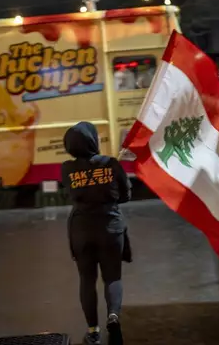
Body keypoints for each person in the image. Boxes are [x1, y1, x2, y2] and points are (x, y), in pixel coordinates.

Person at [62, 121, 132, 345]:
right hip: (110, 227)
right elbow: (126, 195)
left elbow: (71, 195)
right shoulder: (111, 164)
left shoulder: (67, 169)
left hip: (81, 230)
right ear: (93, 140)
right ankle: (113, 316)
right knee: (112, 276)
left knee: (87, 279)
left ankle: (92, 329)